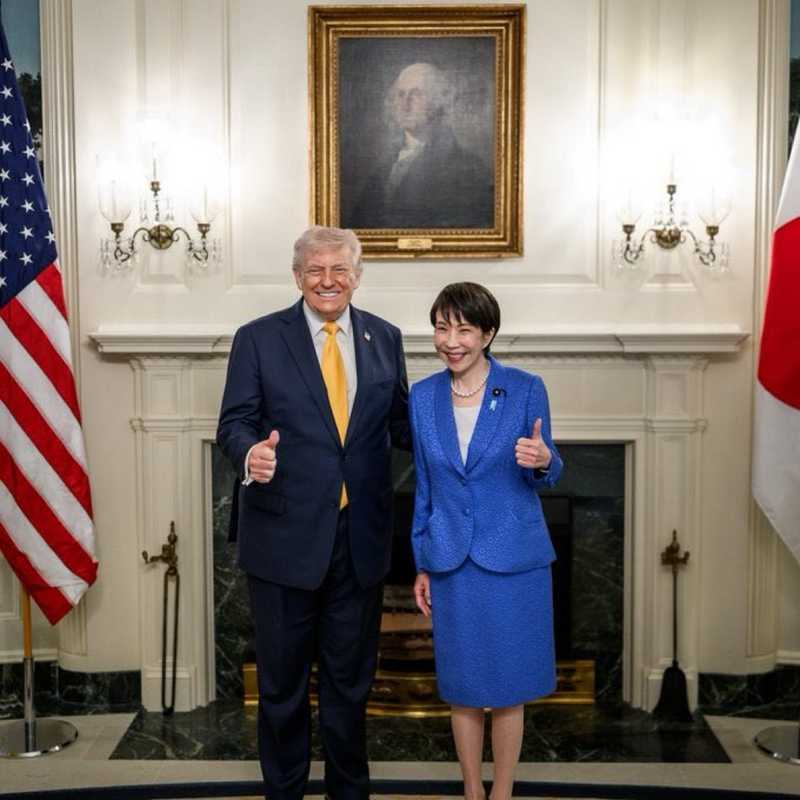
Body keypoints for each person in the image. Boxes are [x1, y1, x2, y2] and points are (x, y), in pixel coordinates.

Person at [217, 225, 409, 800]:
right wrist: (250, 454)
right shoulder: (258, 338)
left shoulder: (385, 337)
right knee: (282, 689)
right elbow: (234, 423)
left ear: (357, 276)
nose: (328, 280)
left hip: (359, 541)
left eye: (339, 269)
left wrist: (469, 420)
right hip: (283, 541)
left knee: (350, 687)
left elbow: (402, 424)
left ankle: (349, 794)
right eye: (316, 270)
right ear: (297, 276)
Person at [409, 282, 562, 800]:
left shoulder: (524, 388)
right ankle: (472, 791)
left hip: (514, 559)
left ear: (488, 333)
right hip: (451, 561)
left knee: (509, 688)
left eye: (464, 329)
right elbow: (425, 486)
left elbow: (548, 465)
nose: (451, 341)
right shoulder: (422, 397)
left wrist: (544, 461)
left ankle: (503, 792)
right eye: (441, 328)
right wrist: (422, 561)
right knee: (463, 687)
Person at [346, 62, 494, 230]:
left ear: (439, 102)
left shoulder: (468, 170)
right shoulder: (383, 168)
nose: (405, 104)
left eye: (416, 94)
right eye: (401, 94)